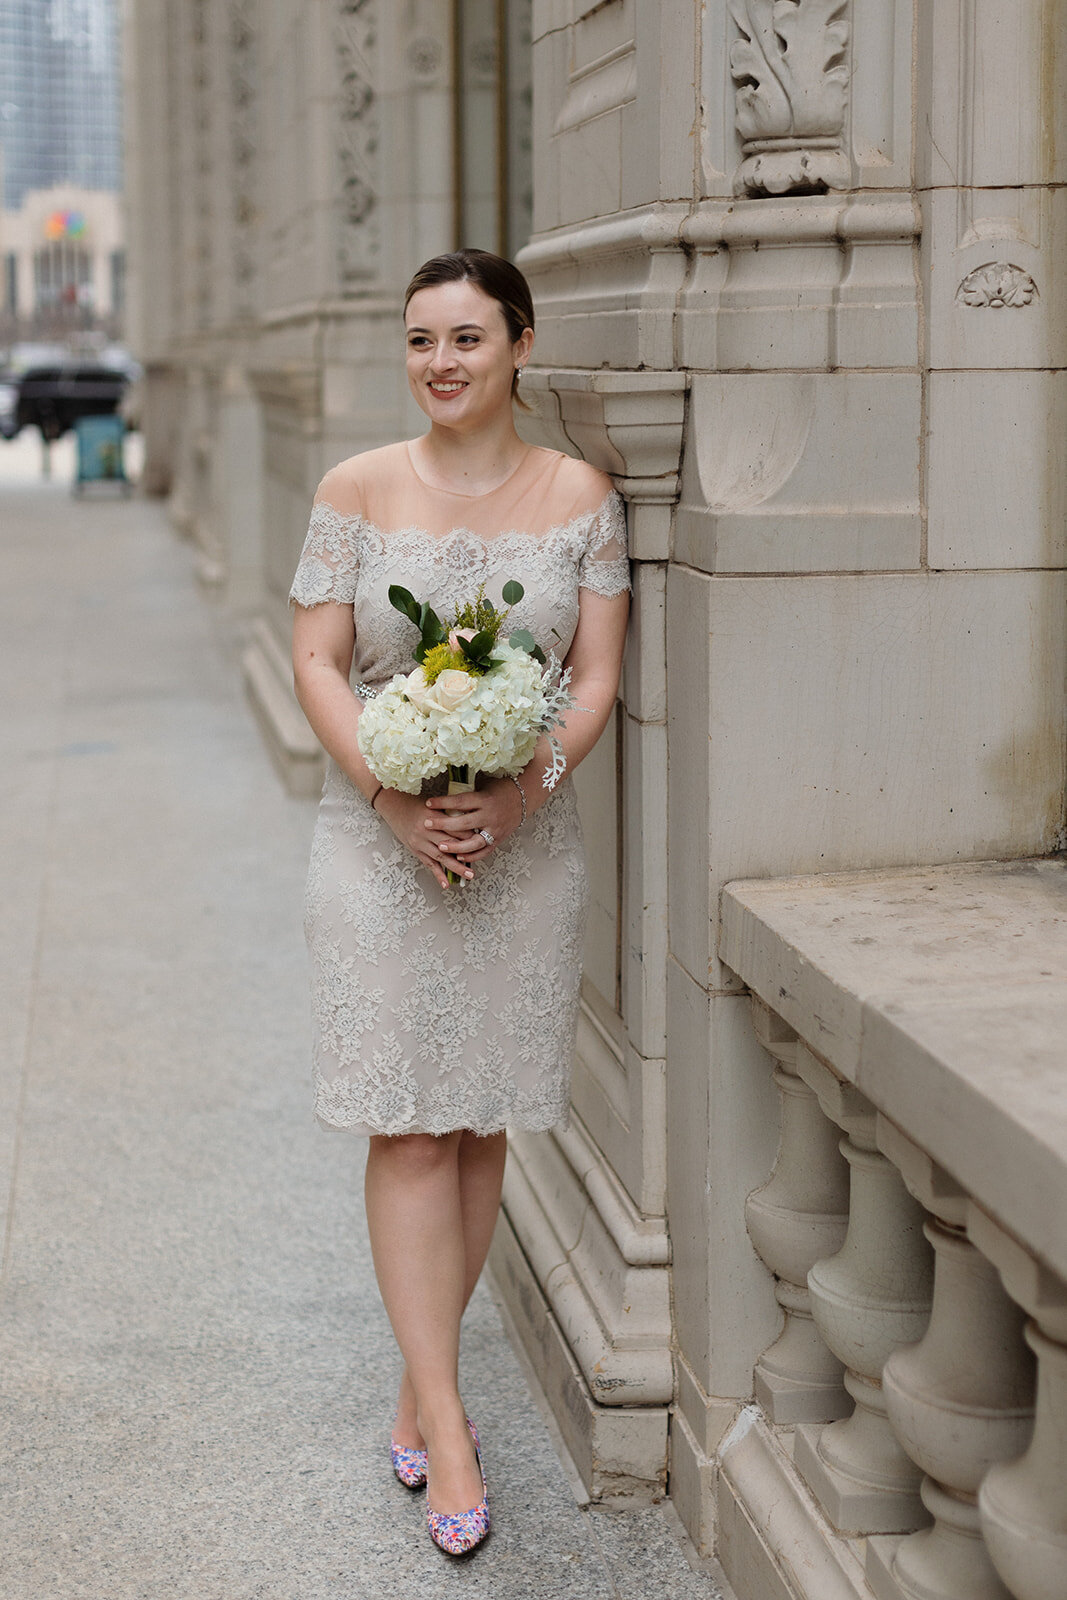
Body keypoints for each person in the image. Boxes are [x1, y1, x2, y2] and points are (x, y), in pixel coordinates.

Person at [289, 248, 629, 1555]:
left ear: (521, 346)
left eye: (468, 339)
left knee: (481, 1119)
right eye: (423, 340)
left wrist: (524, 792)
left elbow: (589, 680)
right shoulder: (354, 489)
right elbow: (321, 657)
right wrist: (390, 788)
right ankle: (447, 1413)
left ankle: (416, 1382)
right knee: (408, 1127)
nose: (442, 362)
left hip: (525, 849)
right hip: (374, 848)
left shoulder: (580, 495)